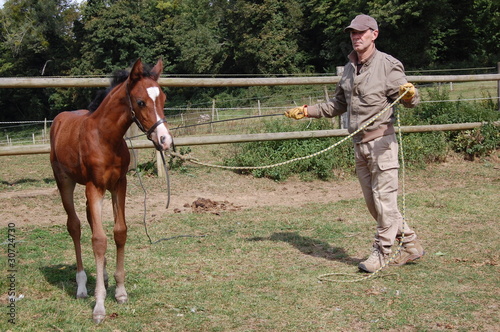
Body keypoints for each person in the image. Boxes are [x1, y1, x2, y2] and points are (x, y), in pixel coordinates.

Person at [285, 14, 424, 273]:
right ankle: (411, 244)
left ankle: (381, 253)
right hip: (359, 145)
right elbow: (337, 104)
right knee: (376, 205)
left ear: (374, 34)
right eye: (353, 33)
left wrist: (410, 94)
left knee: (384, 202)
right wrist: (306, 111)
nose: (356, 37)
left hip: (382, 143)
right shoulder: (349, 68)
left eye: (361, 32)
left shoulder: (388, 65)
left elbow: (408, 99)